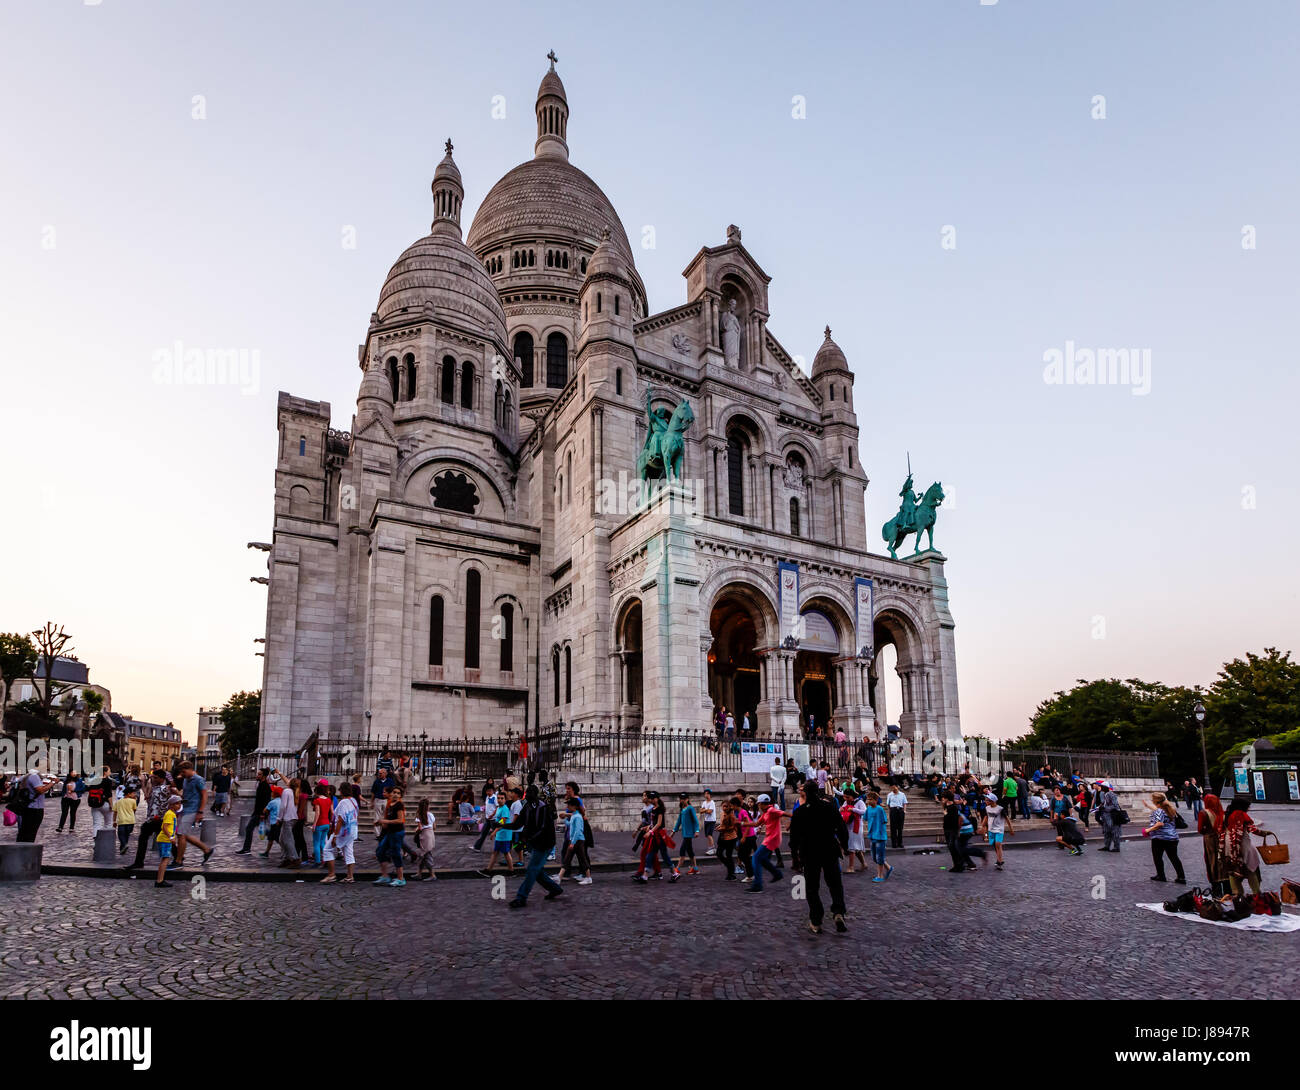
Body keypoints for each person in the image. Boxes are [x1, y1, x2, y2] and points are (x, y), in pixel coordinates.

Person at [788, 782, 849, 934]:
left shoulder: (800, 812)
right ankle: (838, 912)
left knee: (812, 887)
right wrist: (844, 845)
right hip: (829, 848)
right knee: (835, 884)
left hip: (809, 852)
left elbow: (793, 837)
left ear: (806, 793)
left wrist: (795, 857)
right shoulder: (829, 807)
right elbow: (842, 828)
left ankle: (816, 920)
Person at [504, 784, 562, 908]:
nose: (529, 797)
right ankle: (555, 889)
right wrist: (501, 825)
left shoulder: (543, 807)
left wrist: (527, 839)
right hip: (535, 842)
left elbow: (542, 829)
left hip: (544, 843)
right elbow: (517, 824)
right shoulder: (527, 806)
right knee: (537, 870)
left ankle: (521, 897)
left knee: (532, 870)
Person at [1221, 797, 1270, 897]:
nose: (1249, 809)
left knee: (1232, 869)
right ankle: (1256, 893)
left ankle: (1237, 895)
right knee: (1251, 867)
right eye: (1248, 807)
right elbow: (1251, 828)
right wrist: (1264, 833)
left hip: (1228, 844)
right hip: (1241, 843)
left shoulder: (1225, 814)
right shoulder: (1240, 814)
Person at [172, 763, 213, 867]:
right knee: (183, 834)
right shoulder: (186, 779)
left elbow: (204, 795)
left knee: (181, 834)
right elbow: (186, 794)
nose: (182, 774)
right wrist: (177, 793)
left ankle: (179, 861)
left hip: (192, 810)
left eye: (183, 772)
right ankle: (206, 849)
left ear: (190, 769)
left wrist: (200, 812)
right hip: (184, 809)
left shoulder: (198, 779)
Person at [1141, 792, 1186, 883]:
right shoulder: (1170, 809)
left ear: (1156, 801)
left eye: (1152, 800)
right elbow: (1159, 811)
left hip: (1160, 837)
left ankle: (1161, 875)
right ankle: (1181, 877)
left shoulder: (1159, 811)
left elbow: (1159, 823)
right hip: (1172, 837)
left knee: (1157, 857)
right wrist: (1147, 806)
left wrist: (1148, 830)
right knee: (1174, 857)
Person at [746, 794, 785, 893]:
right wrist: (741, 823)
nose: (758, 806)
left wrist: (795, 819)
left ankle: (757, 885)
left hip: (772, 839)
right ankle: (777, 874)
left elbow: (785, 814)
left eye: (759, 804)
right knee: (762, 859)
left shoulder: (771, 810)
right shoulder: (766, 813)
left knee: (755, 858)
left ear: (762, 804)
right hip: (769, 839)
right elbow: (756, 824)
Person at [321, 783, 359, 883]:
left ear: (341, 791)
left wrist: (335, 836)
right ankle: (350, 876)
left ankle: (331, 874)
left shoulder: (343, 802)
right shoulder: (353, 801)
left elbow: (341, 819)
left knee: (327, 849)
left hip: (343, 831)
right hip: (352, 830)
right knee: (349, 852)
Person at [373, 786, 407, 887]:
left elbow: (400, 820)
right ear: (391, 793)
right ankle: (385, 876)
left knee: (396, 853)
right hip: (389, 832)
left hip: (397, 832)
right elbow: (386, 819)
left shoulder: (399, 805)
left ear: (400, 795)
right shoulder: (390, 804)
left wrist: (385, 821)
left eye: (398, 793)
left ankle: (401, 878)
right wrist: (380, 823)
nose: (395, 794)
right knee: (380, 851)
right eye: (394, 792)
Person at [236, 769, 274, 854]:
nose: (257, 776)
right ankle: (275, 836)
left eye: (259, 774)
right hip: (257, 812)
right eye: (258, 774)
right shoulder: (260, 784)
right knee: (263, 831)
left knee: (249, 828)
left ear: (264, 776)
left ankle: (246, 849)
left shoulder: (265, 786)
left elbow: (266, 801)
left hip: (260, 813)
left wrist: (263, 814)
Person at [1198, 792, 1229, 896]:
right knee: (1223, 860)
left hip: (1210, 839)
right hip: (1222, 838)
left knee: (1212, 860)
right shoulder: (1222, 813)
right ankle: (1227, 887)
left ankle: (1216, 889)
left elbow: (1200, 829)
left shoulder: (1204, 813)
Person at [480, 790, 516, 877]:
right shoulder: (500, 808)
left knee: (506, 853)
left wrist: (494, 832)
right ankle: (489, 870)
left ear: (505, 800)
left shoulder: (505, 809)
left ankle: (511, 871)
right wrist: (492, 815)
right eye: (498, 798)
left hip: (504, 834)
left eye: (502, 798)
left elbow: (502, 822)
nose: (500, 800)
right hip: (501, 834)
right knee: (496, 852)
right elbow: (497, 813)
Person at [154, 795, 184, 889]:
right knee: (165, 860)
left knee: (165, 859)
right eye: (177, 803)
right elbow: (164, 827)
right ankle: (159, 880)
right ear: (171, 805)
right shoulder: (169, 814)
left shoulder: (172, 814)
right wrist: (171, 837)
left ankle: (160, 880)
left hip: (166, 839)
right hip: (164, 840)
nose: (179, 805)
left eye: (180, 803)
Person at [14, 768, 50, 843]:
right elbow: (40, 790)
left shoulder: (26, 776)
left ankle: (21, 850)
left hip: (28, 807)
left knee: (24, 832)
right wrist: (53, 783)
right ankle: (26, 851)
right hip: (35, 808)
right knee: (30, 834)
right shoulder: (34, 776)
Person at [561, 797, 592, 884]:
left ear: (574, 806)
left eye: (569, 805)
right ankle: (559, 877)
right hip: (575, 840)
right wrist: (565, 820)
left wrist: (572, 843)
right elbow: (571, 825)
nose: (567, 807)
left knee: (582, 859)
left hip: (578, 841)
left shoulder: (577, 816)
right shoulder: (575, 815)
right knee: (567, 859)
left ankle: (589, 878)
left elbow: (578, 831)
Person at [864, 790, 892, 881]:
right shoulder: (868, 809)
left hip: (880, 836)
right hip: (872, 835)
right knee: (874, 857)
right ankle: (888, 868)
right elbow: (865, 818)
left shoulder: (880, 809)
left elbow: (884, 820)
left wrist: (880, 831)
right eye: (868, 799)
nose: (869, 801)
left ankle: (880, 876)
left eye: (871, 799)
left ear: (876, 800)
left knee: (879, 857)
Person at [840, 786, 868, 874]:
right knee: (856, 847)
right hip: (848, 825)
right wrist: (840, 810)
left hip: (856, 826)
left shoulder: (859, 802)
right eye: (844, 797)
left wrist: (853, 809)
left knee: (852, 847)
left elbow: (865, 811)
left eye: (847, 797)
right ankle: (864, 864)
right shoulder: (845, 802)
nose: (845, 799)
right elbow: (842, 811)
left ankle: (851, 867)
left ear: (852, 796)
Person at [672, 793, 700, 876]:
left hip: (689, 834)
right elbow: (679, 821)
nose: (682, 800)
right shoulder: (682, 809)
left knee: (682, 850)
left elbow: (695, 820)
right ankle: (695, 869)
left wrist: (697, 830)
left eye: (683, 799)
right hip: (685, 834)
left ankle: (678, 869)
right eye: (681, 799)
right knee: (690, 852)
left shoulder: (690, 808)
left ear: (687, 799)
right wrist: (674, 831)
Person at [412, 797, 436, 880]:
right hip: (431, 834)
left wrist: (416, 830)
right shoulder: (431, 814)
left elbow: (420, 828)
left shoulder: (419, 815)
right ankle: (419, 873)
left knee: (425, 855)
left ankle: (432, 875)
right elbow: (434, 827)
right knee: (424, 855)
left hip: (424, 835)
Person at [716, 800, 741, 881]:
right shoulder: (722, 814)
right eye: (723, 806)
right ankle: (730, 867)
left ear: (729, 807)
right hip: (723, 836)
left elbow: (733, 827)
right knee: (719, 853)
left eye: (726, 806)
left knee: (728, 855)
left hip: (731, 838)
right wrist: (719, 827)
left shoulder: (731, 815)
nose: (724, 808)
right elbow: (722, 824)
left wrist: (723, 829)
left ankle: (731, 874)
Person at [1095, 780, 1122, 852]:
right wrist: (1099, 807)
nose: (1101, 788)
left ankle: (1117, 847)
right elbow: (1104, 803)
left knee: (1115, 831)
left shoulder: (1111, 794)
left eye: (1102, 786)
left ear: (1106, 787)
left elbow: (1115, 805)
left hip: (1112, 816)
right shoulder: (1103, 794)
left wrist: (1105, 808)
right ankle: (1107, 846)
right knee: (1106, 831)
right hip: (1105, 816)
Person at [311, 781, 333, 866]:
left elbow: (317, 813)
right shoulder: (329, 800)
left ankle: (317, 861)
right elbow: (332, 812)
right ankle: (326, 859)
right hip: (327, 823)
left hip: (319, 823)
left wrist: (314, 824)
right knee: (323, 843)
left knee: (316, 843)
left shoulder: (317, 800)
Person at [984, 796, 1008, 869]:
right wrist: (983, 826)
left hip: (999, 829)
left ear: (992, 801)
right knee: (995, 845)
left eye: (987, 800)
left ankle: (1000, 862)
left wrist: (1011, 829)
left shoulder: (1000, 809)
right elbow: (986, 817)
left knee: (998, 844)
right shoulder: (987, 808)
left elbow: (1007, 818)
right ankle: (999, 859)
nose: (985, 801)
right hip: (991, 829)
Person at [113, 787, 137, 854]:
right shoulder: (133, 801)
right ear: (129, 794)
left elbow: (115, 812)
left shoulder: (118, 802)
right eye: (133, 793)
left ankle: (124, 846)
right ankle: (123, 847)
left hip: (122, 821)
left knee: (121, 835)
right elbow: (134, 810)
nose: (134, 794)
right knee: (126, 835)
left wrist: (114, 821)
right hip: (131, 821)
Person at [885, 783, 907, 848]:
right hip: (893, 810)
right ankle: (894, 843)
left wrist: (904, 811)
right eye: (892, 788)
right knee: (893, 828)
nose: (893, 789)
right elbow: (888, 804)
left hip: (900, 810)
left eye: (894, 788)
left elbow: (905, 803)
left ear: (897, 787)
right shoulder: (890, 794)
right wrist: (891, 810)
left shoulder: (902, 794)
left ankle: (900, 843)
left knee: (900, 828)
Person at [700, 789, 717, 855]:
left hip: (711, 820)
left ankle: (712, 849)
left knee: (709, 835)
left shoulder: (712, 802)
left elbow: (710, 812)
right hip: (706, 820)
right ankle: (710, 848)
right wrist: (706, 810)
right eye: (705, 794)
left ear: (710, 794)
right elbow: (701, 811)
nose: (706, 795)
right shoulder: (704, 802)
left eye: (707, 793)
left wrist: (704, 810)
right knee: (707, 835)